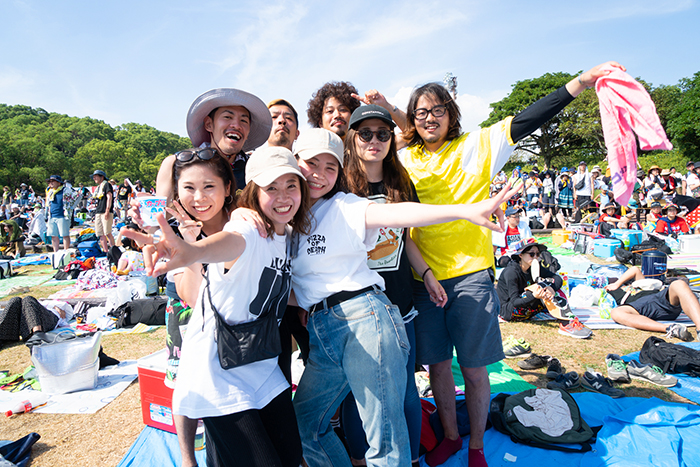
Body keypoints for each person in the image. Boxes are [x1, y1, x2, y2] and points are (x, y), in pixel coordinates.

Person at [234, 128, 517, 466]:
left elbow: (398, 215)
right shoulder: (289, 221)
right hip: (324, 331)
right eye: (311, 163)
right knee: (306, 424)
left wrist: (464, 210)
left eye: (330, 167)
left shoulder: (344, 206)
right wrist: (241, 212)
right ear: (295, 164)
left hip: (364, 319)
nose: (320, 174)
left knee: (384, 440)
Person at [397, 61, 625, 466]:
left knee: (474, 369)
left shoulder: (477, 145)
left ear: (451, 113)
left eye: (437, 110)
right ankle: (450, 436)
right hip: (422, 278)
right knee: (437, 368)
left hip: (470, 275)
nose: (429, 118)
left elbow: (530, 117)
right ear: (412, 120)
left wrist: (582, 82)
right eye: (420, 112)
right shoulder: (404, 158)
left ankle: (476, 447)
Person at [125, 146, 311, 467]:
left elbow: (265, 272)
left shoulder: (261, 223)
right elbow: (209, 273)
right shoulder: (238, 228)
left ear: (228, 189)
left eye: (208, 186)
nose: (199, 197)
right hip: (220, 369)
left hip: (261, 359)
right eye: (189, 188)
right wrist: (192, 249)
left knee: (289, 456)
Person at [340, 105, 447, 467]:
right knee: (359, 393)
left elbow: (405, 239)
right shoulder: (339, 187)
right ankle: (359, 460)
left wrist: (427, 273)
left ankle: (411, 459)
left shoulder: (401, 184)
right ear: (352, 139)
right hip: (355, 306)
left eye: (383, 134)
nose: (374, 140)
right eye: (365, 133)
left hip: (400, 302)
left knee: (405, 392)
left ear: (390, 140)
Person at [154, 88, 272, 203]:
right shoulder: (176, 164)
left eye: (244, 121)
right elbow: (162, 212)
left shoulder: (256, 168)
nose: (236, 125)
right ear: (209, 124)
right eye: (227, 117)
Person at [604, 266, 699, 341]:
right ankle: (670, 328)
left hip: (661, 300)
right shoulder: (609, 292)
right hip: (638, 307)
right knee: (616, 312)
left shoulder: (637, 284)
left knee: (679, 283)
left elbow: (635, 269)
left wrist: (617, 283)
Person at [496, 240, 562, 321]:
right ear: (521, 255)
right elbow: (514, 301)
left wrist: (552, 288)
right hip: (509, 310)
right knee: (536, 290)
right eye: (531, 254)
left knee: (552, 288)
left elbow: (557, 278)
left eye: (538, 254)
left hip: (527, 303)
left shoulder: (534, 267)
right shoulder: (511, 272)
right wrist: (534, 296)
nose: (535, 257)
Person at [0, 296, 72, 347]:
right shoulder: (35, 302)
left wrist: (55, 306)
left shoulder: (60, 305)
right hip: (23, 323)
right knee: (15, 300)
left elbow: (67, 312)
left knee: (28, 299)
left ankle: (37, 334)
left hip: (47, 319)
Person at [45, 175, 72, 252]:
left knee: (65, 235)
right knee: (53, 236)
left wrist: (70, 209)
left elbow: (75, 198)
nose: (51, 183)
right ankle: (55, 252)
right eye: (50, 181)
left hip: (62, 216)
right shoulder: (50, 192)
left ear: (59, 183)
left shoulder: (66, 190)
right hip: (52, 216)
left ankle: (66, 251)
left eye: (53, 181)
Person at [92, 170, 115, 252]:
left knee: (107, 232)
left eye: (96, 176)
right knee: (100, 234)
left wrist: (107, 210)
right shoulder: (98, 188)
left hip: (105, 211)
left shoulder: (107, 185)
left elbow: (109, 197)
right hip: (98, 211)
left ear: (102, 177)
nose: (94, 178)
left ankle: (113, 251)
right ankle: (106, 251)